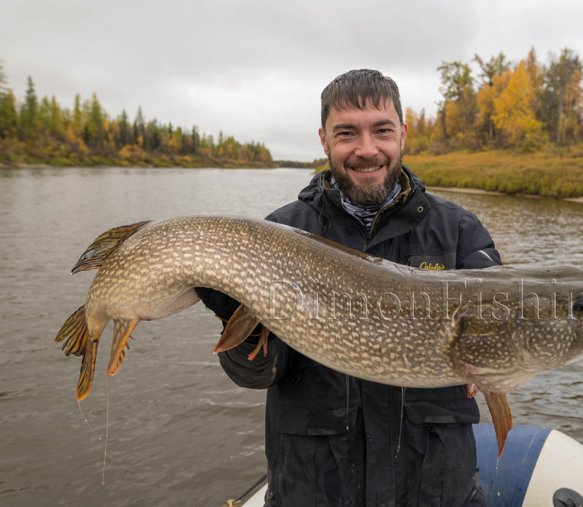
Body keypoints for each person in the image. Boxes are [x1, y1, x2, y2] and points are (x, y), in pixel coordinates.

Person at [196, 69, 501, 507]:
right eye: (346, 133)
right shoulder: (280, 232)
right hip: (314, 492)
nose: (367, 149)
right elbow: (257, 374)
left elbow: (506, 336)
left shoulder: (460, 233)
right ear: (323, 140)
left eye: (382, 131)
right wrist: (234, 317)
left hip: (434, 493)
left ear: (403, 134)